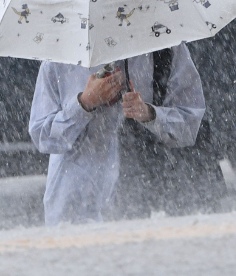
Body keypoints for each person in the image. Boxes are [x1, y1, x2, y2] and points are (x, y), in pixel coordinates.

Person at [29, 43, 205, 226]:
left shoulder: (164, 43)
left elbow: (190, 124)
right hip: (75, 209)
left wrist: (150, 114)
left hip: (148, 207)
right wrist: (85, 103)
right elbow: (42, 136)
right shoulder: (62, 53)